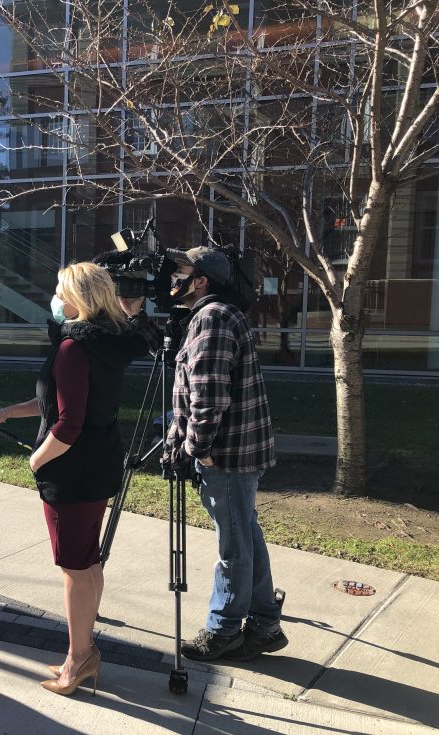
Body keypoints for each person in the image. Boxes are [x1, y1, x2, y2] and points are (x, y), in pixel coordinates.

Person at [0, 261, 160, 696]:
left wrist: (36, 461)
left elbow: (67, 425)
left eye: (59, 290)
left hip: (72, 473)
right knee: (88, 560)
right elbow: (55, 401)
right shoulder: (105, 342)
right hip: (98, 467)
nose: (54, 297)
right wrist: (3, 414)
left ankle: (78, 660)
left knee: (74, 568)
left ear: (77, 298)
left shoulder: (73, 348)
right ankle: (83, 651)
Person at [161, 246, 286, 662]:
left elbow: (208, 396)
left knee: (233, 548)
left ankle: (225, 631)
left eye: (180, 272)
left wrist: (197, 449)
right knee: (246, 536)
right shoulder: (215, 315)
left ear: (201, 280)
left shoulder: (212, 318)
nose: (171, 279)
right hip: (236, 452)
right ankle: (265, 625)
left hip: (227, 456)